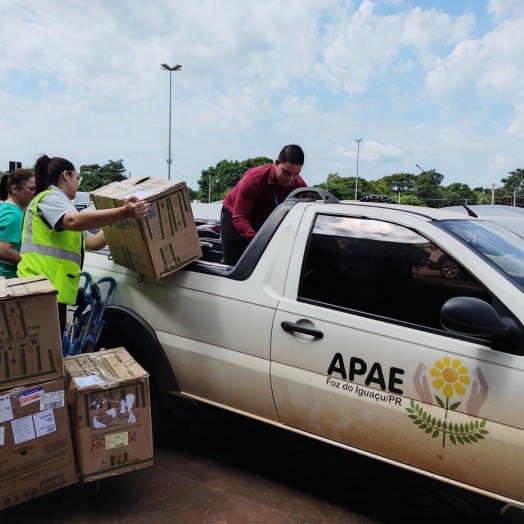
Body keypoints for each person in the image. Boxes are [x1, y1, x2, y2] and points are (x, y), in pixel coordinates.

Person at [17, 155, 150, 334]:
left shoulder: (61, 205)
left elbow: (92, 242)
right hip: (38, 290)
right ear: (66, 175)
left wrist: (123, 221)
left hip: (49, 292)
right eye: (77, 178)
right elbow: (73, 221)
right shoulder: (50, 197)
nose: (78, 184)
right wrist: (123, 212)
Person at [221, 144, 307, 265]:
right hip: (235, 215)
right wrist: (261, 243)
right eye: (286, 172)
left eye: (296, 174)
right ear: (277, 163)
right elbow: (239, 218)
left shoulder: (300, 186)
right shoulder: (253, 179)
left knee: (262, 263)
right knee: (235, 263)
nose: (290, 178)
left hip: (262, 219)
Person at [0, 169, 36, 278]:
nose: (34, 193)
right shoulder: (13, 215)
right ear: (15, 189)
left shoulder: (9, 208)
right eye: (31, 189)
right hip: (9, 278)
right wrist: (32, 264)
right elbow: (4, 250)